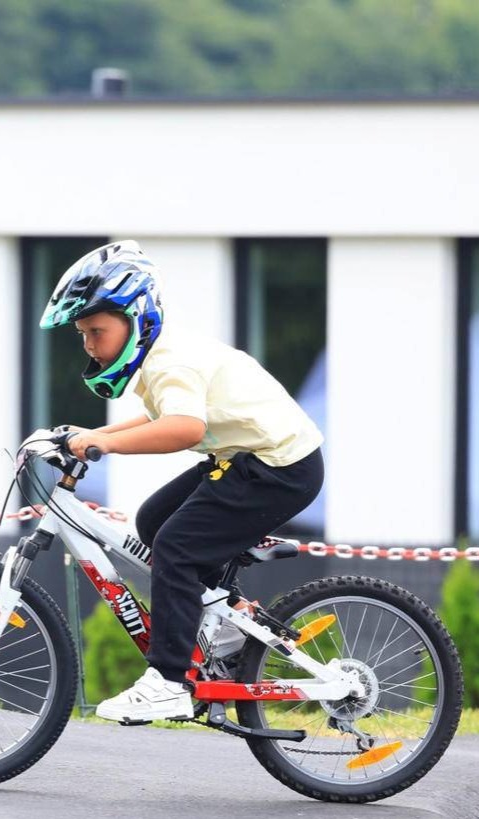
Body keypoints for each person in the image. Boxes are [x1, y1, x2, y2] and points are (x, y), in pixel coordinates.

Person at [40, 240, 324, 722]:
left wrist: (105, 444)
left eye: (96, 331)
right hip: (246, 459)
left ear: (134, 318)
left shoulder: (171, 361)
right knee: (154, 521)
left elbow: (185, 429)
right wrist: (94, 435)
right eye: (83, 334)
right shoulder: (160, 355)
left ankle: (168, 682)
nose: (88, 344)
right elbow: (162, 417)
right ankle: (228, 629)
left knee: (175, 546)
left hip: (278, 467)